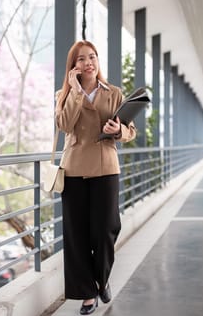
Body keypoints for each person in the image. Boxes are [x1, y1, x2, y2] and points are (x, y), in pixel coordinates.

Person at [55, 40, 136, 315]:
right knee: (76, 236)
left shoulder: (113, 93)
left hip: (105, 168)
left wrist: (117, 131)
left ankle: (102, 279)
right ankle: (87, 293)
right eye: (81, 59)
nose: (88, 62)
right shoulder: (63, 95)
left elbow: (130, 130)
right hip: (74, 169)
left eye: (92, 57)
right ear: (73, 66)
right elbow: (64, 124)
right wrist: (76, 92)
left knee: (106, 229)